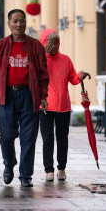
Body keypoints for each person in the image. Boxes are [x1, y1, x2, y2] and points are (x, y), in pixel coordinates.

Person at [0, 9, 49, 187]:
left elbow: (44, 74)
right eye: (15, 21)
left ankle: (25, 175)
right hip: (7, 96)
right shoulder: (1, 45)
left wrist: (43, 96)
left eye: (22, 21)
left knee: (28, 137)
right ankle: (9, 164)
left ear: (25, 23)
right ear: (9, 24)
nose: (19, 24)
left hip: (30, 95)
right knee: (6, 136)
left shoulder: (36, 46)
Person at [39, 28, 90, 181]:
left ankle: (61, 168)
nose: (53, 46)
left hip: (64, 107)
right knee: (47, 139)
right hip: (45, 107)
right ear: (44, 43)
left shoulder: (66, 60)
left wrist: (79, 76)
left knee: (63, 139)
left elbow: (73, 78)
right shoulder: (39, 61)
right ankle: (49, 170)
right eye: (50, 42)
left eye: (56, 42)